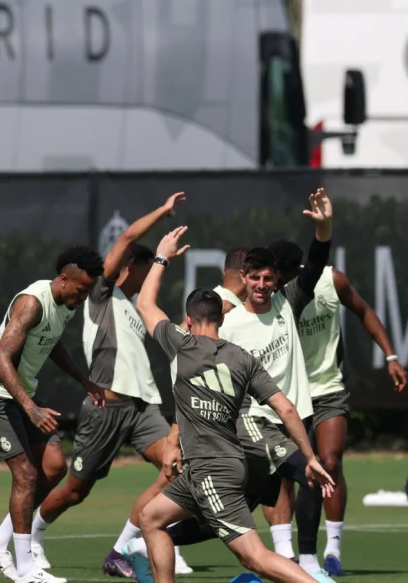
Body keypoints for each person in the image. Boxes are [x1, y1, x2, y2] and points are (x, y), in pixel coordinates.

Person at [123, 225, 335, 583]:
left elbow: (144, 303)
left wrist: (162, 255)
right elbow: (285, 408)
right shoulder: (242, 358)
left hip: (212, 471)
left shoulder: (181, 344)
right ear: (222, 319)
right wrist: (310, 457)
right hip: (218, 466)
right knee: (151, 518)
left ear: (188, 321)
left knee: (255, 558)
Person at [31, 194, 188, 578]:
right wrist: (162, 213)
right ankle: (30, 535)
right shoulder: (102, 294)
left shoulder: (135, 309)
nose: (147, 273)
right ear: (131, 267)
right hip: (107, 408)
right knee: (75, 490)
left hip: (143, 409)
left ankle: (122, 549)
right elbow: (125, 239)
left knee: (176, 469)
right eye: (146, 267)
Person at [267, 239, 406, 575]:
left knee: (329, 462)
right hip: (287, 394)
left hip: (329, 388)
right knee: (286, 476)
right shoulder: (270, 295)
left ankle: (332, 551)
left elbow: (364, 311)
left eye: (280, 275)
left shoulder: (333, 280)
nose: (275, 281)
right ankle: (285, 555)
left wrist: (390, 356)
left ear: (294, 271)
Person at [220, 189, 333, 571]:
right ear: (244, 279)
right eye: (256, 278)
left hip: (298, 416)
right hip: (257, 423)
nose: (263, 284)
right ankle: (158, 533)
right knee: (306, 474)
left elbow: (316, 264)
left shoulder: (289, 301)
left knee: (236, 507)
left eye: (269, 278)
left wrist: (324, 228)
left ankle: (308, 563)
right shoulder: (229, 325)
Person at [0, 245, 106, 583]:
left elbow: (51, 343)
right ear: (64, 279)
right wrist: (31, 408)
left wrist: (84, 380)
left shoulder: (65, 304)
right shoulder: (32, 304)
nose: (83, 298)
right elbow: (0, 360)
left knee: (53, 468)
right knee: (26, 474)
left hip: (23, 393)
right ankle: (25, 570)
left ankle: (0, 544)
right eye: (81, 290)